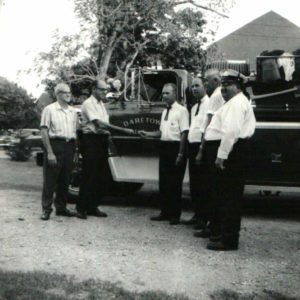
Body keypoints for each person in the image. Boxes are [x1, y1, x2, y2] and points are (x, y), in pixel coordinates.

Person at [202, 69, 256, 250]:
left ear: (238, 86)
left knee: (230, 198)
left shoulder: (236, 103)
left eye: (229, 84)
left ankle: (229, 240)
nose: (224, 88)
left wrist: (221, 156)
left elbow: (231, 132)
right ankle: (224, 235)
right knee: (225, 196)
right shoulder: (233, 102)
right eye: (223, 84)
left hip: (232, 153)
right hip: (231, 151)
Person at [76, 79, 135, 219]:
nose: (105, 92)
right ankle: (81, 208)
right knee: (89, 174)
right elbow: (99, 124)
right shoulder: (88, 104)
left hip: (101, 141)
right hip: (91, 140)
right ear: (94, 89)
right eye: (102, 89)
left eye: (105, 90)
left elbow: (105, 126)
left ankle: (93, 206)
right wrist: (123, 130)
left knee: (100, 176)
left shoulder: (101, 105)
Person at [139, 83, 189, 225]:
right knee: (164, 182)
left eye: (167, 93)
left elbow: (184, 133)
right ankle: (165, 212)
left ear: (175, 94)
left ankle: (175, 215)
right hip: (165, 147)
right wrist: (147, 134)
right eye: (163, 93)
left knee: (175, 183)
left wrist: (180, 154)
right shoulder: (164, 111)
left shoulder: (182, 111)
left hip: (176, 148)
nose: (164, 96)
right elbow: (161, 132)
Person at [40, 83, 77, 220]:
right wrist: (49, 152)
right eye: (65, 92)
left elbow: (75, 132)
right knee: (50, 179)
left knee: (65, 179)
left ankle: (61, 208)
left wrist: (75, 151)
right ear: (58, 94)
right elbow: (44, 131)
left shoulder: (73, 111)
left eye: (69, 92)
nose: (69, 94)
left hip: (69, 146)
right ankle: (46, 209)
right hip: (55, 145)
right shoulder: (49, 110)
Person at [194, 69, 225, 235]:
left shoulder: (216, 96)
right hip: (213, 143)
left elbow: (209, 124)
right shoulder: (219, 95)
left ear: (215, 80)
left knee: (212, 188)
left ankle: (212, 227)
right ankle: (212, 225)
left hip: (212, 144)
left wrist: (201, 149)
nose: (205, 84)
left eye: (206, 81)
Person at [181, 77, 210, 229]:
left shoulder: (210, 104)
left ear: (205, 86)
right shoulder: (193, 108)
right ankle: (197, 214)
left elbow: (206, 129)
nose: (194, 89)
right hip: (192, 147)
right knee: (194, 185)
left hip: (202, 148)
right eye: (192, 87)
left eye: (197, 86)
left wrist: (201, 151)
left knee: (203, 184)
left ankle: (204, 218)